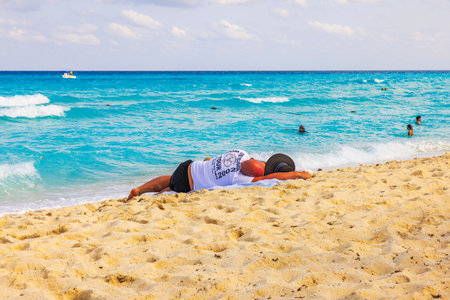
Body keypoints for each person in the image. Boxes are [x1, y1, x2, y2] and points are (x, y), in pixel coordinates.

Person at [127, 150, 311, 200]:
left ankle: (141, 189)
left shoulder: (239, 153)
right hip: (187, 184)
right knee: (173, 186)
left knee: (171, 179)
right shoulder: (238, 179)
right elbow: (270, 178)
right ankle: (156, 193)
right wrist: (298, 174)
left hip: (189, 166)